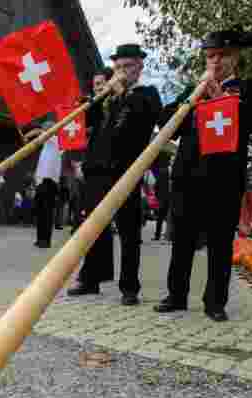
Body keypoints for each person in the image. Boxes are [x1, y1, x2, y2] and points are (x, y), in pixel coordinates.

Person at [157, 29, 252, 321]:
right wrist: (191, 100)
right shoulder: (192, 89)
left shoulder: (249, 89)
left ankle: (215, 302)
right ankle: (176, 295)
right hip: (187, 176)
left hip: (224, 178)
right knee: (182, 239)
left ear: (235, 58)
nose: (216, 62)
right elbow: (168, 124)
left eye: (222, 56)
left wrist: (221, 100)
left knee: (220, 242)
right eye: (210, 57)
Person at [67, 43, 162, 306]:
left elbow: (141, 120)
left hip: (126, 171)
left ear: (139, 68)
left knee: (129, 230)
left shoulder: (147, 95)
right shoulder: (106, 98)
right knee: (92, 228)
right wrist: (92, 101)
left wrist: (122, 96)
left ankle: (129, 286)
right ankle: (91, 278)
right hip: (98, 170)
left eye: (128, 66)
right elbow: (89, 126)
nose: (122, 72)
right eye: (118, 67)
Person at [28, 121, 61, 249]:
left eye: (45, 129)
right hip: (42, 182)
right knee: (41, 212)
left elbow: (37, 132)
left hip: (49, 182)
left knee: (46, 212)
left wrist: (26, 136)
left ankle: (45, 240)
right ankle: (40, 238)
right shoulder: (47, 146)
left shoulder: (55, 140)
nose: (42, 131)